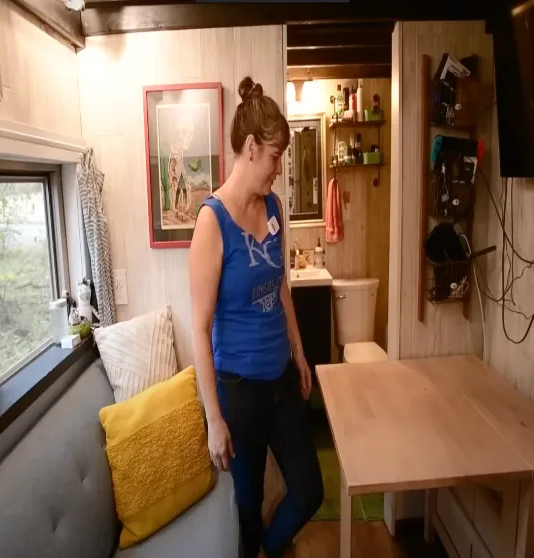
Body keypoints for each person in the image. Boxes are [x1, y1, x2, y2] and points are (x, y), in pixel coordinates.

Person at [189, 77, 323, 558]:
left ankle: (270, 547)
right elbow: (200, 330)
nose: (279, 168)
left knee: (310, 491)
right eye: (274, 156)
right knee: (247, 511)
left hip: (282, 380)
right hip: (239, 392)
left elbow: (281, 285)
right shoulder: (212, 221)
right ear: (250, 148)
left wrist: (299, 353)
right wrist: (214, 419)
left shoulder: (274, 208)